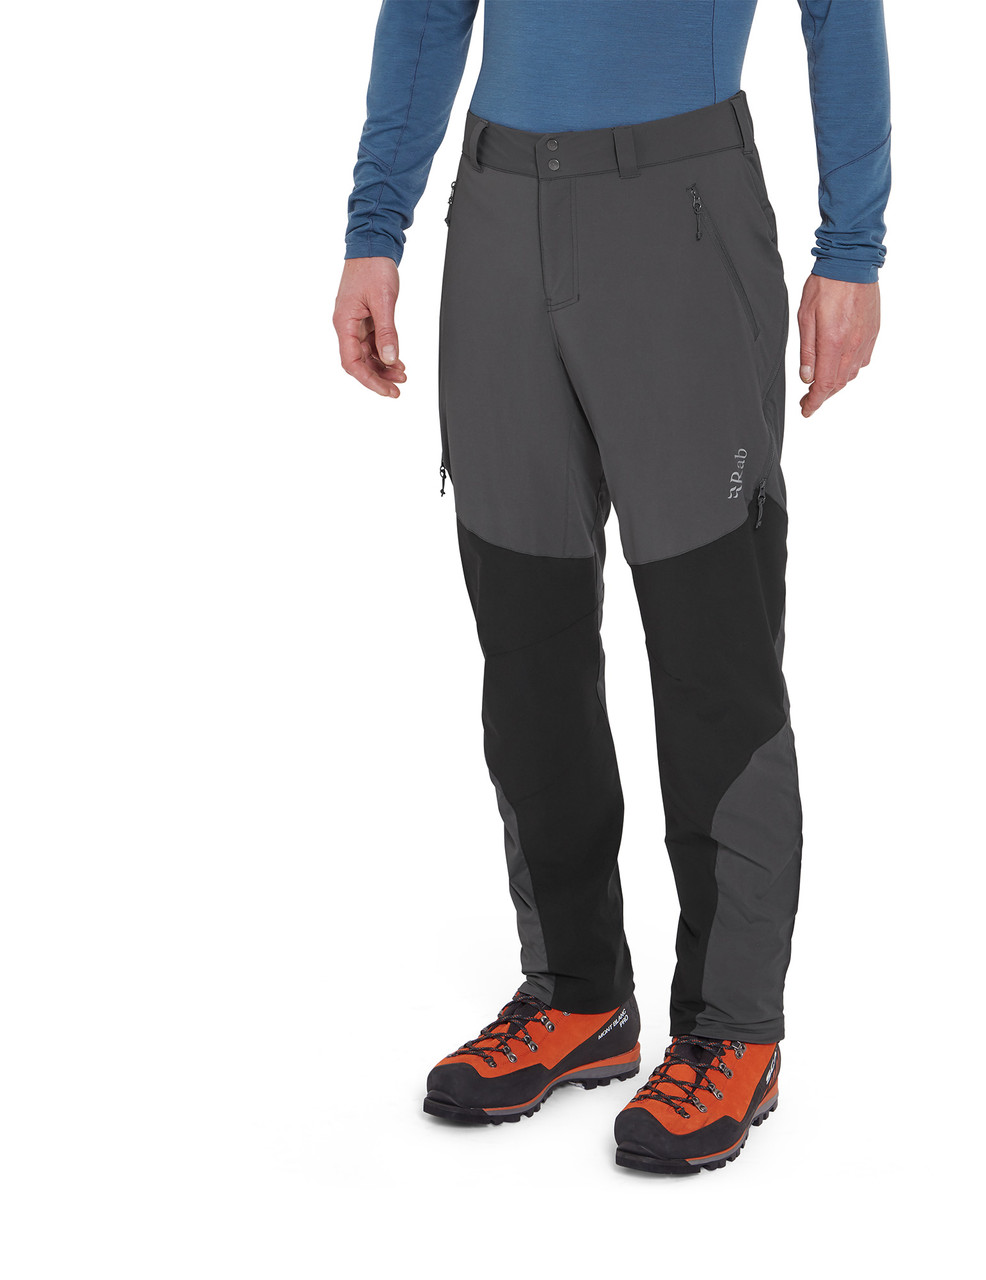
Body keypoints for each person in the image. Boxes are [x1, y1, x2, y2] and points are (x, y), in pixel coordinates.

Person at [334, 0, 890, 1175]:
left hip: (677, 216)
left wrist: (851, 247)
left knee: (710, 638)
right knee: (524, 630)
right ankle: (577, 992)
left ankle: (731, 1027)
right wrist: (374, 226)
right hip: (496, 214)